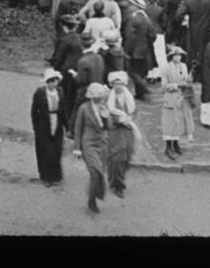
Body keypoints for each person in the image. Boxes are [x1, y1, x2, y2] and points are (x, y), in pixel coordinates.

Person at [72, 82, 109, 213]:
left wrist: (106, 117)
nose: (100, 98)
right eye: (97, 96)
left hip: (101, 144)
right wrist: (77, 148)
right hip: (88, 143)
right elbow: (78, 128)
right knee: (95, 172)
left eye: (101, 96)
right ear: (91, 97)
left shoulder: (104, 107)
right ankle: (92, 201)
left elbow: (107, 127)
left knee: (100, 173)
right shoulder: (84, 108)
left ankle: (93, 196)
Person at [105, 71, 139, 198]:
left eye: (120, 84)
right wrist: (117, 120)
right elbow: (105, 114)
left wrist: (129, 119)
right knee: (116, 158)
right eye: (115, 84)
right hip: (115, 131)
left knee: (127, 156)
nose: (118, 86)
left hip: (127, 130)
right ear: (112, 85)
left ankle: (119, 179)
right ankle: (117, 184)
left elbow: (134, 111)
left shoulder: (128, 96)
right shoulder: (108, 97)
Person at [30, 68, 67, 186]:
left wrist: (68, 126)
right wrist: (36, 127)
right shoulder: (40, 93)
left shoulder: (60, 92)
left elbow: (64, 110)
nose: (52, 84)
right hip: (44, 123)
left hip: (57, 121)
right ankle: (45, 176)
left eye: (54, 81)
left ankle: (55, 176)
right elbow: (34, 111)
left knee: (56, 149)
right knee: (45, 150)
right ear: (46, 82)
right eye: (50, 81)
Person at [160, 45, 195, 158]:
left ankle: (176, 143)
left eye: (180, 55)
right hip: (171, 97)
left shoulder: (183, 66)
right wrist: (178, 85)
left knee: (180, 121)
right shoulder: (166, 68)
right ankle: (168, 146)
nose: (178, 57)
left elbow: (185, 80)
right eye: (175, 55)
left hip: (182, 97)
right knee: (171, 121)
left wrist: (189, 80)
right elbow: (164, 86)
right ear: (171, 56)